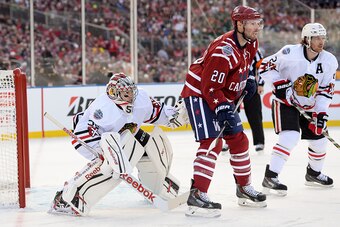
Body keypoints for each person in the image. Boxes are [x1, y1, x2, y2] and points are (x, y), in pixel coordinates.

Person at [48, 72, 189, 216]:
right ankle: (69, 198)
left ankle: (157, 185)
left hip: (121, 138)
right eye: (125, 93)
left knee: (147, 142)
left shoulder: (141, 98)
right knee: (109, 168)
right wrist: (107, 155)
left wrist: (174, 115)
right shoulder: (103, 109)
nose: (131, 96)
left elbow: (159, 113)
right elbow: (85, 133)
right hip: (90, 141)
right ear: (114, 93)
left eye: (131, 91)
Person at [181, 5, 267, 218]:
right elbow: (210, 86)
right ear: (239, 24)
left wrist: (248, 80)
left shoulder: (251, 42)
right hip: (200, 93)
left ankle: (244, 188)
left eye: (259, 23)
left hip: (220, 94)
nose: (257, 27)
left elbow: (245, 67)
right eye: (252, 23)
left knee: (239, 140)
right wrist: (221, 108)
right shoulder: (223, 50)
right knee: (213, 142)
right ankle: (197, 194)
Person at [258, 23, 338, 196]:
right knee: (290, 137)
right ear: (306, 39)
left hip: (311, 105)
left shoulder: (329, 60)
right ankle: (270, 177)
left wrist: (321, 113)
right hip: (286, 103)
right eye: (317, 38)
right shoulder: (289, 53)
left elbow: (325, 90)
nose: (321, 42)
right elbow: (264, 67)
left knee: (320, 141)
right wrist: (279, 83)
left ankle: (313, 174)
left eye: (323, 38)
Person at [222, 50, 265, 153]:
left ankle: (259, 141)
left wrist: (260, 83)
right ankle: (228, 141)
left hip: (251, 86)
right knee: (230, 114)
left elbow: (262, 67)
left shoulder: (255, 51)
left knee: (255, 115)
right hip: (234, 86)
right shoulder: (231, 50)